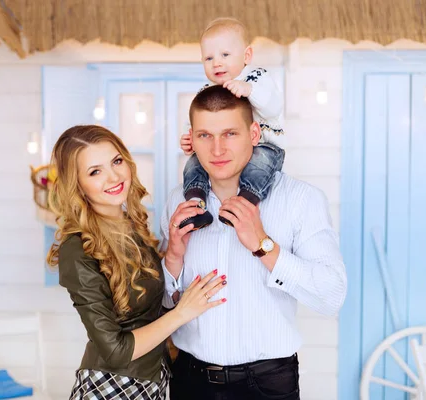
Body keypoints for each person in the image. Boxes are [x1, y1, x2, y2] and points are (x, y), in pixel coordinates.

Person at [162, 86, 347, 400]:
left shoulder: (301, 200)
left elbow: (331, 295)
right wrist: (173, 259)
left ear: (254, 133)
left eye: (230, 133)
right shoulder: (178, 201)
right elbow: (167, 304)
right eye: (205, 135)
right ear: (191, 139)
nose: (217, 149)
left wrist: (263, 244)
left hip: (266, 385)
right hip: (189, 380)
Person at [46, 125, 227, 399]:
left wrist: (175, 253)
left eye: (116, 161)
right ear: (78, 185)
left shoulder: (130, 225)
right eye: (95, 171)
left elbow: (151, 304)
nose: (114, 176)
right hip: (112, 389)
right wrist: (183, 313)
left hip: (149, 384)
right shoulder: (78, 249)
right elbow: (116, 351)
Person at [178, 17, 286, 232]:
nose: (216, 63)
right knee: (192, 164)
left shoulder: (256, 77)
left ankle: (245, 201)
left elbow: (274, 107)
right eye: (208, 58)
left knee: (260, 165)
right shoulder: (207, 90)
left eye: (225, 55)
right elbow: (196, 118)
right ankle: (196, 204)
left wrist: (249, 90)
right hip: (236, 153)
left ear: (247, 56)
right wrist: (190, 138)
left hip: (265, 145)